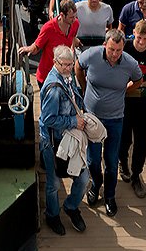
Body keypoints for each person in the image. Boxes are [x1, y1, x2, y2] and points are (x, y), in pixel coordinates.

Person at [78, 30, 144, 217]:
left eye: (119, 50)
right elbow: (78, 66)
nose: (115, 54)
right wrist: (84, 88)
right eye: (111, 49)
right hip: (92, 118)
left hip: (115, 119)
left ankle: (109, 195)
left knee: (112, 161)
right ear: (104, 45)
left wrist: (124, 90)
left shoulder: (130, 63)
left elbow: (138, 80)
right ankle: (96, 184)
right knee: (92, 159)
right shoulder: (91, 55)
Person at [38, 46, 90, 235]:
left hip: (69, 139)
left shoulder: (67, 77)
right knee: (54, 184)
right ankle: (52, 215)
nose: (69, 68)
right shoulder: (54, 89)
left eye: (70, 64)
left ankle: (70, 206)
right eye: (64, 65)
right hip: (54, 142)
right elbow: (48, 119)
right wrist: (74, 121)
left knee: (83, 178)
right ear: (55, 63)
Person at [119, 19, 146, 197]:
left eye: (145, 39)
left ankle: (136, 174)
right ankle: (123, 162)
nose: (142, 42)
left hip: (141, 101)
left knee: (141, 139)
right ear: (133, 34)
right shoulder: (125, 48)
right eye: (139, 38)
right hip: (123, 100)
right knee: (124, 136)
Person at [20, 0, 81, 85]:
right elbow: (37, 47)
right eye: (71, 17)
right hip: (46, 77)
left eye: (75, 16)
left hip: (64, 76)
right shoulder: (48, 28)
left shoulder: (75, 24)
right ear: (62, 15)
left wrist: (73, 46)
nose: (74, 20)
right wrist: (28, 49)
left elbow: (73, 37)